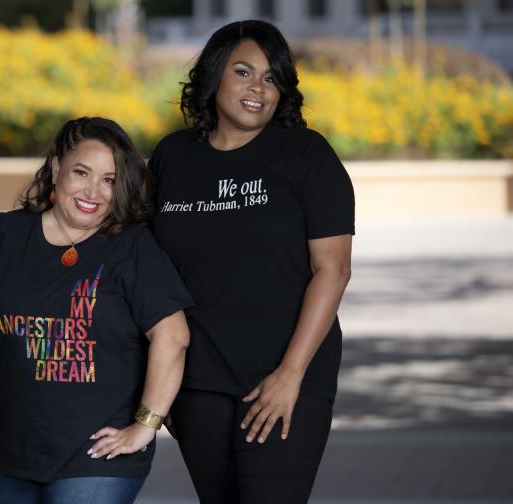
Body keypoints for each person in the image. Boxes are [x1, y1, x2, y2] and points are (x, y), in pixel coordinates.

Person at [148, 20, 355, 504]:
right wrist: (160, 383)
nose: (258, 89)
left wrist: (290, 375)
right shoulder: (173, 158)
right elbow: (151, 271)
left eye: (271, 77)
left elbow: (334, 269)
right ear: (214, 75)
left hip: (285, 379)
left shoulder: (307, 156)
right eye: (243, 72)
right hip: (197, 383)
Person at [0, 117, 194, 504]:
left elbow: (173, 336)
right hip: (12, 449)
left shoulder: (131, 248)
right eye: (82, 172)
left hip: (99, 456)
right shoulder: (7, 234)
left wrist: (146, 425)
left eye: (109, 180)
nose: (93, 191)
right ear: (55, 168)